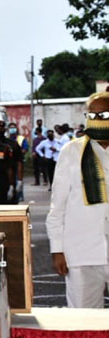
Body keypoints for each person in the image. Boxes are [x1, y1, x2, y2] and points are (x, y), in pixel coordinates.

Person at [47, 91, 109, 308]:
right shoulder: (71, 151)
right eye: (93, 114)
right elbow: (58, 206)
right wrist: (57, 249)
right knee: (84, 321)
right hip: (82, 252)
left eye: (104, 114)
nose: (97, 119)